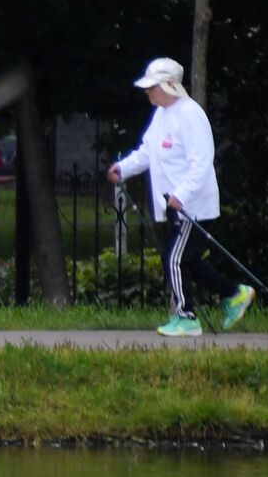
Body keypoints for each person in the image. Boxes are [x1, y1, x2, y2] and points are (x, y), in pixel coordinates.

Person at [107, 57, 254, 337]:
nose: (148, 92)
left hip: (193, 207)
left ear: (171, 85)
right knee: (188, 261)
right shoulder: (161, 114)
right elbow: (146, 152)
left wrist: (181, 194)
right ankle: (235, 293)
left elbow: (202, 162)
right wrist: (122, 168)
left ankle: (186, 317)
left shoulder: (191, 114)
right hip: (174, 206)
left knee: (173, 259)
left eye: (153, 87)